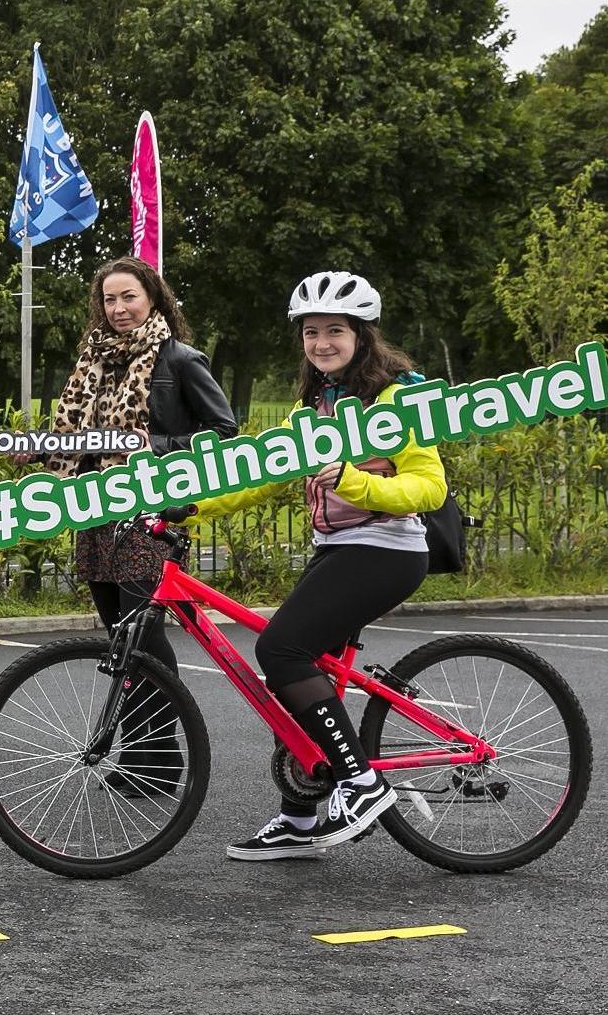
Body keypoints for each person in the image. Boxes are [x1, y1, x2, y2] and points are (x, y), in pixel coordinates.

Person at [188, 270, 445, 860]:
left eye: (335, 331)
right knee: (304, 678)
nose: (322, 342)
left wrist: (354, 481)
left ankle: (360, 784)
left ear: (362, 335)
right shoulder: (314, 405)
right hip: (339, 549)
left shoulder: (399, 398)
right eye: (311, 332)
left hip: (388, 548)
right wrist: (188, 506)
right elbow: (259, 473)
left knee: (280, 650)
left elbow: (429, 488)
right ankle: (302, 818)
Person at [38, 257, 236, 795]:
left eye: (129, 297)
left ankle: (159, 758)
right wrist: (46, 452)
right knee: (120, 638)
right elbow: (82, 437)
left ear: (152, 297)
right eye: (109, 299)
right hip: (97, 513)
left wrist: (149, 446)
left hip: (150, 512)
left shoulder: (180, 358)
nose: (119, 309)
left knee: (143, 633)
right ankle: (141, 754)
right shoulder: (92, 362)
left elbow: (224, 431)